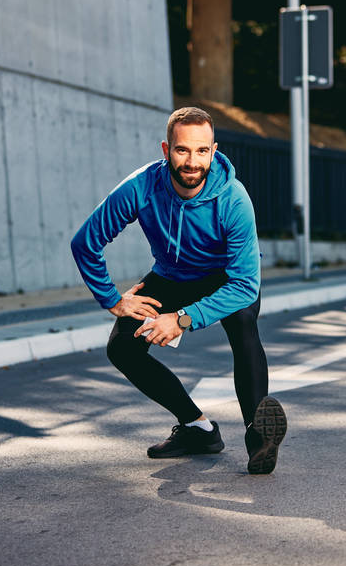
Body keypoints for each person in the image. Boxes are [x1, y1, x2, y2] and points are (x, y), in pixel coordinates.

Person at [71, 106, 287, 474]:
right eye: (182, 150)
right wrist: (113, 300)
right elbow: (86, 243)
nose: (191, 161)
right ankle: (197, 428)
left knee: (244, 326)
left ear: (213, 151)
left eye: (201, 151)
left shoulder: (234, 199)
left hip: (225, 280)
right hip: (170, 276)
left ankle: (258, 437)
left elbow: (246, 285)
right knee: (122, 348)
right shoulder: (141, 187)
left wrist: (183, 319)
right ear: (165, 149)